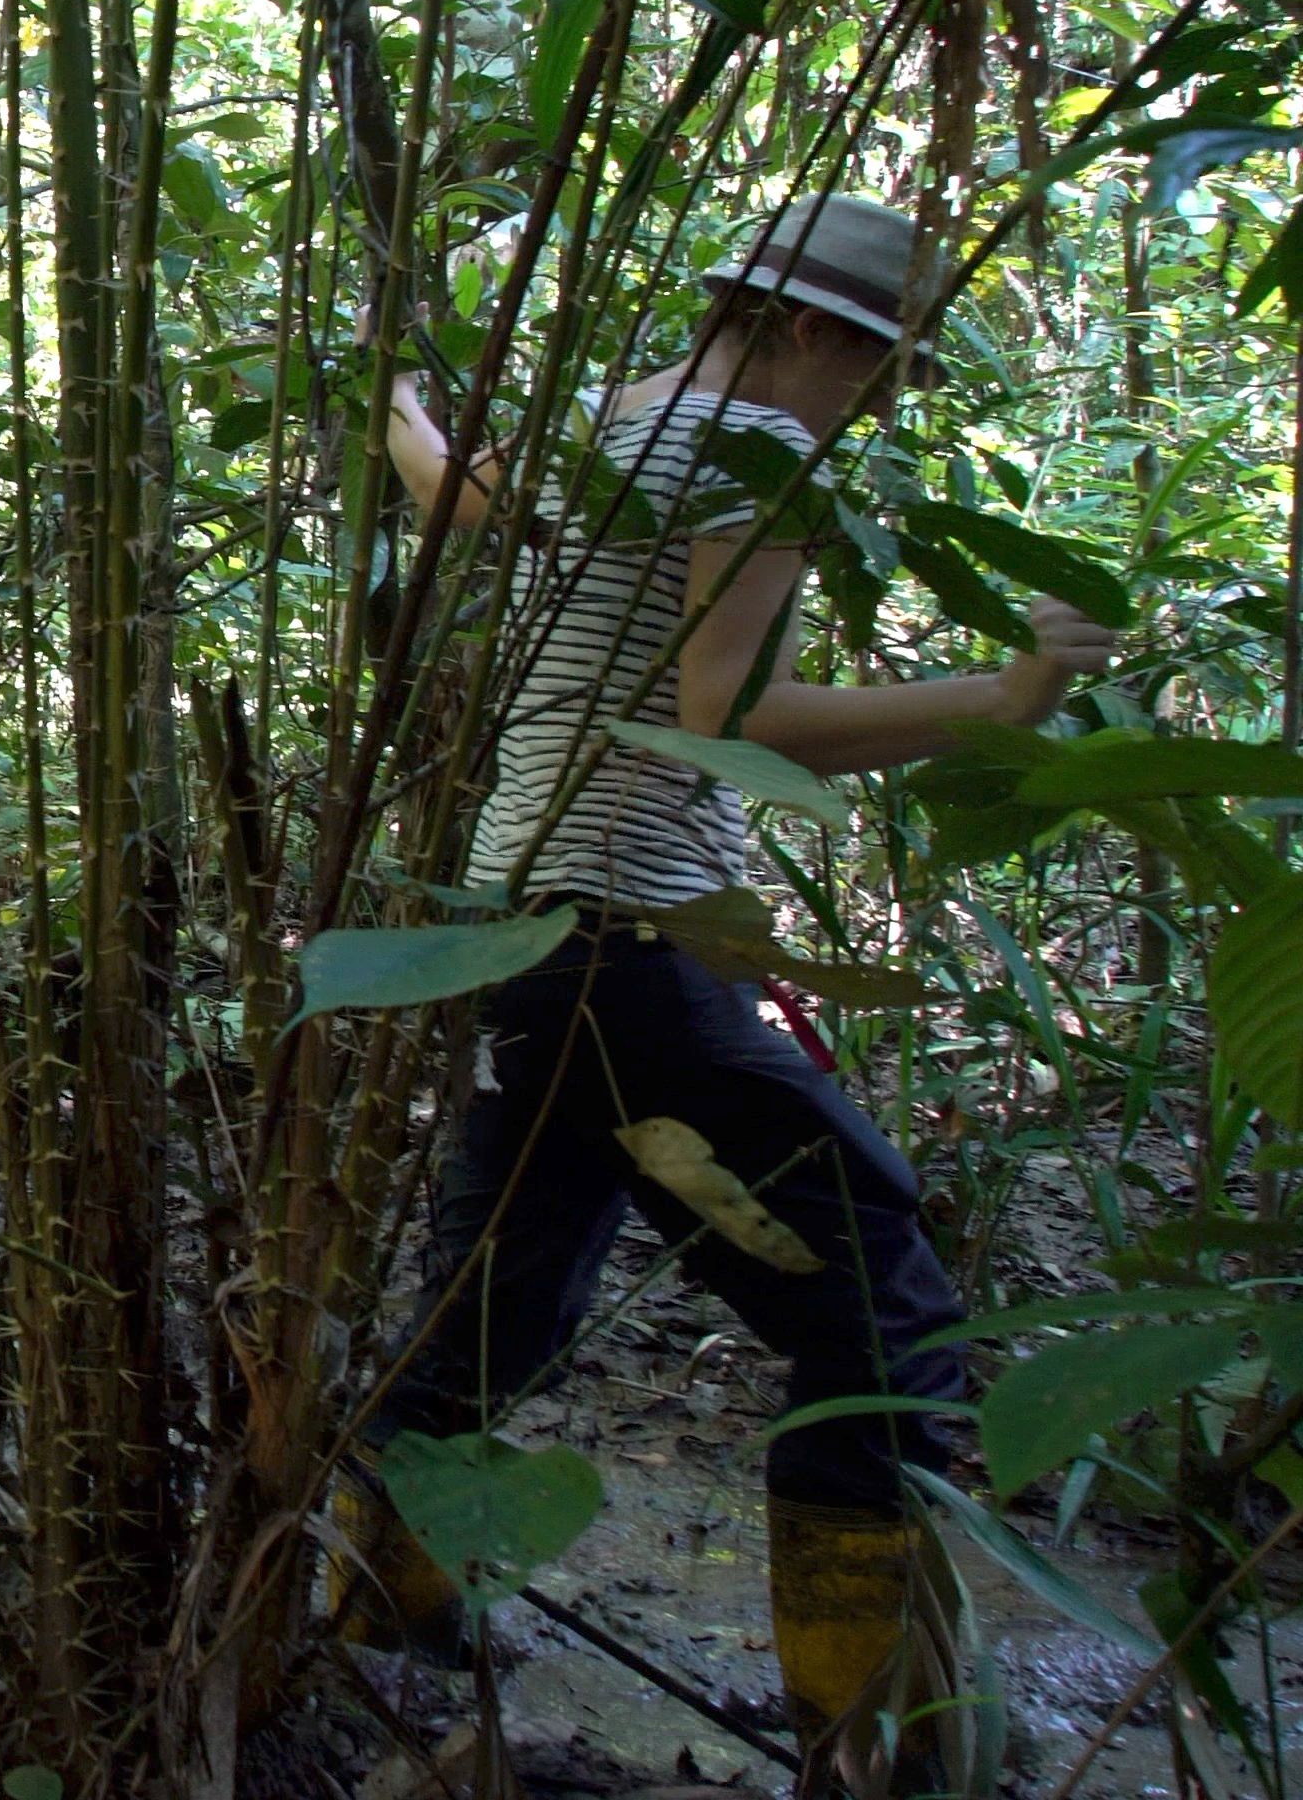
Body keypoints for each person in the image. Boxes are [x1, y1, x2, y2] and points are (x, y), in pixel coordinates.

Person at [353, 197, 1116, 1772]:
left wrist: (402, 414)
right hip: (627, 937)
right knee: (879, 1311)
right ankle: (884, 1724)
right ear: (820, 333)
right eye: (880, 372)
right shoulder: (757, 444)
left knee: (505, 1294)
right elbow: (735, 709)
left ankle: (383, 1602)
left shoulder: (614, 419)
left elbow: (456, 496)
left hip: (519, 926)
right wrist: (1006, 700)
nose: (874, 405)